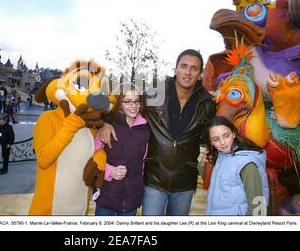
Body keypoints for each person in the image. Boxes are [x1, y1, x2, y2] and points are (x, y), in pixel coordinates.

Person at [98, 49, 216, 215]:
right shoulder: (153, 95)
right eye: (183, 66)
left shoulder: (208, 104)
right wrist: (105, 122)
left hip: (185, 182)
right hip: (154, 180)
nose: (188, 72)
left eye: (194, 68)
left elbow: (216, 133)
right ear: (175, 69)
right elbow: (123, 106)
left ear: (200, 73)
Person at [94, 84, 150, 216]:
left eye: (137, 101)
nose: (133, 105)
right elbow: (93, 156)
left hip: (132, 199)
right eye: (128, 101)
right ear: (119, 104)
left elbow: (143, 162)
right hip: (107, 196)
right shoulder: (108, 127)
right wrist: (109, 171)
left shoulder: (145, 128)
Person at [204, 116, 269, 215]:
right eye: (216, 139)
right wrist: (204, 165)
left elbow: (257, 208)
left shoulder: (247, 164)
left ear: (233, 133)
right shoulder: (221, 157)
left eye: (226, 136)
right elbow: (216, 185)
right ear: (211, 142)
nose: (222, 142)